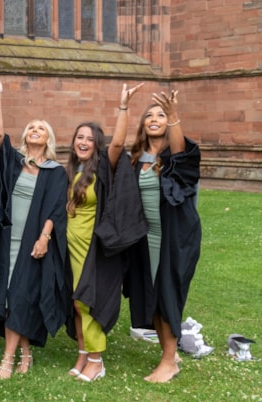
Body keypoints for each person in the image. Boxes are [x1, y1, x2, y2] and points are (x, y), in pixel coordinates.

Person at [61, 83, 144, 382]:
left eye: (89, 139)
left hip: (94, 247)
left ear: (97, 144)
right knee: (75, 301)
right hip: (71, 247)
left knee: (88, 300)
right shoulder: (72, 171)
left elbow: (119, 145)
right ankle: (83, 354)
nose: (83, 142)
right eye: (79, 137)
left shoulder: (101, 170)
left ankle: (97, 360)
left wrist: (123, 107)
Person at [0, 76, 68, 379]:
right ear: (26, 136)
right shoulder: (14, 162)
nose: (35, 131)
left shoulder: (54, 172)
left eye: (41, 128)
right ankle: (25, 352)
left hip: (32, 241)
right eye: (31, 127)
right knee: (11, 297)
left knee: (21, 295)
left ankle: (6, 360)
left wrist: (45, 237)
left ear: (48, 138)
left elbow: (55, 208)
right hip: (8, 238)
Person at [121, 89, 202, 383]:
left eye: (161, 115)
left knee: (167, 294)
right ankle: (171, 352)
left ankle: (169, 361)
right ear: (143, 125)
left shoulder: (173, 157)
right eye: (150, 116)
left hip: (175, 238)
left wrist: (175, 115)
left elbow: (183, 159)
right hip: (146, 238)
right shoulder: (137, 160)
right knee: (152, 294)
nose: (155, 119)